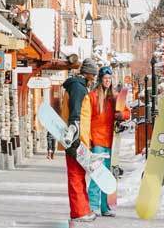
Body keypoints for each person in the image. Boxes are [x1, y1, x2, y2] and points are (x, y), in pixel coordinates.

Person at [87, 65, 131, 217]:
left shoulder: (115, 97)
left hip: (110, 140)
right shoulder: (92, 96)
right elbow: (86, 118)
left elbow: (127, 112)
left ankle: (105, 206)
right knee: (97, 173)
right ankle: (93, 205)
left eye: (109, 79)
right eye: (105, 79)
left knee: (107, 175)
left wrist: (121, 116)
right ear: (100, 79)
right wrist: (89, 139)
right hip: (97, 139)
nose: (107, 81)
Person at [60, 58, 98, 223]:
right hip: (76, 139)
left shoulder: (79, 86)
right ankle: (79, 212)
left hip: (79, 138)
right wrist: (75, 139)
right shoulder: (77, 87)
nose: (95, 78)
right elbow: (75, 115)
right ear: (88, 73)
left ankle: (83, 209)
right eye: (94, 74)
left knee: (79, 175)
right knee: (76, 176)